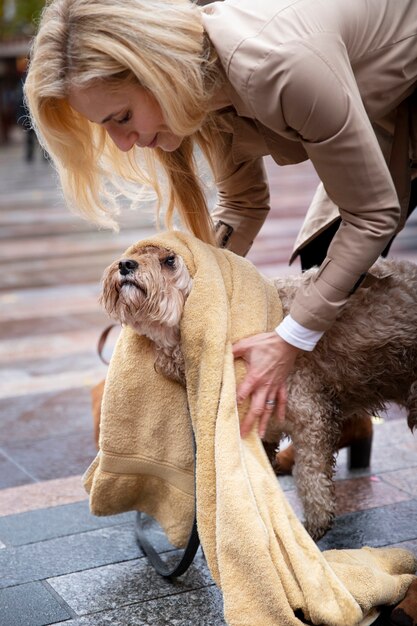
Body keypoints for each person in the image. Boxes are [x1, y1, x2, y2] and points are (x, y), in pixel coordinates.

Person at [24, 0, 417, 440]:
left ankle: (342, 409)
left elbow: (371, 215)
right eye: (106, 126)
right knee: (322, 257)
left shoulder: (278, 65)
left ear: (159, 72)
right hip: (372, 104)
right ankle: (345, 419)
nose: (121, 143)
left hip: (401, 85)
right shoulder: (201, 86)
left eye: (123, 117)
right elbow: (243, 203)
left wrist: (288, 340)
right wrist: (178, 292)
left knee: (329, 288)